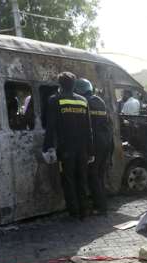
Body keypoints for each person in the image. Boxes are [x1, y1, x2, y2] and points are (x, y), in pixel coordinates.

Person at [43, 72, 94, 220]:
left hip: (66, 149)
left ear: (60, 84)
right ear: (74, 84)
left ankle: (74, 212)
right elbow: (88, 129)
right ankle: (84, 211)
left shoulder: (55, 100)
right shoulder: (83, 101)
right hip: (83, 149)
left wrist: (47, 147)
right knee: (82, 179)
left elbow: (51, 127)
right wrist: (91, 151)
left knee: (69, 180)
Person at [75, 78, 113, 216]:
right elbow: (109, 124)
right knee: (99, 175)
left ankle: (100, 207)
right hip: (105, 142)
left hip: (95, 143)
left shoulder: (84, 102)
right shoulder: (100, 101)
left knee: (93, 175)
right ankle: (102, 204)